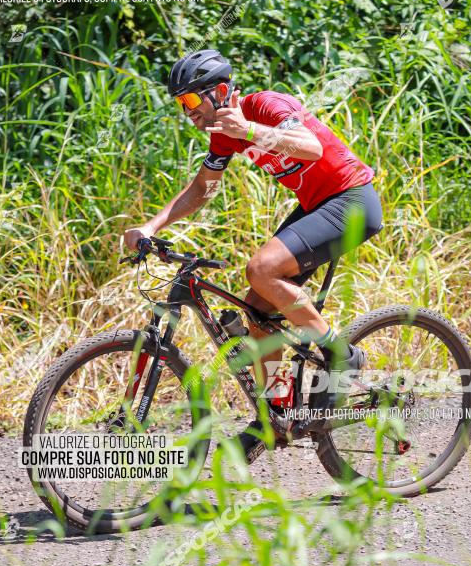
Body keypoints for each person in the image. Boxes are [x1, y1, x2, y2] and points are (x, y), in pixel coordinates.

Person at [124, 49, 383, 459]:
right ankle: (275, 413)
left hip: (352, 200)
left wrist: (251, 131)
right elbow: (202, 189)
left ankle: (341, 355)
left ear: (221, 91)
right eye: (180, 103)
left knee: (260, 269)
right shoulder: (223, 134)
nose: (187, 111)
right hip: (319, 205)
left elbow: (311, 148)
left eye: (191, 100)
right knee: (259, 308)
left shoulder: (264, 105)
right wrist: (151, 227)